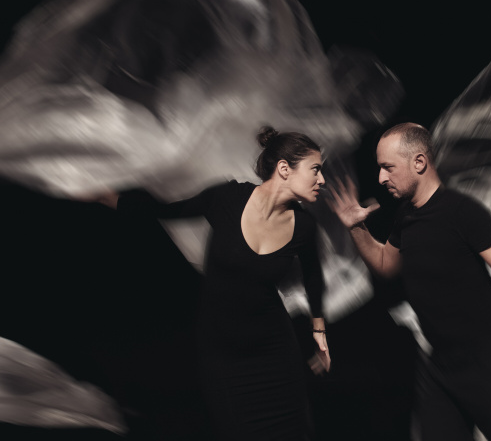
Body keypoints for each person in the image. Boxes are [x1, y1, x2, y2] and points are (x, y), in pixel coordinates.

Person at [94, 126, 330, 441]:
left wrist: (319, 331)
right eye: (315, 170)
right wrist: (107, 197)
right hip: (223, 353)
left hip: (273, 350)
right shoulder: (227, 198)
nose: (322, 179)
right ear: (285, 169)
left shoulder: (304, 226)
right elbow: (164, 211)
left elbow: (313, 276)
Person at [327, 122, 491, 441]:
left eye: (388, 168)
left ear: (419, 162)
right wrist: (356, 228)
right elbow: (385, 265)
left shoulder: (463, 212)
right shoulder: (405, 216)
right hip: (439, 366)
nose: (381, 178)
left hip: (486, 365)